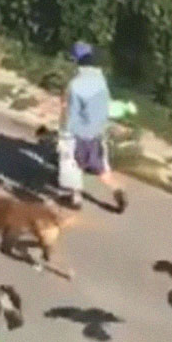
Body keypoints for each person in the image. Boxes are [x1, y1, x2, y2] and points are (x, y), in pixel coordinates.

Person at [60, 41, 128, 213]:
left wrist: (65, 132)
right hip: (98, 131)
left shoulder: (75, 85)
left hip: (79, 133)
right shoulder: (100, 79)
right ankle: (117, 191)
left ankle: (75, 199)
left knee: (74, 165)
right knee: (100, 167)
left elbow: (70, 111)